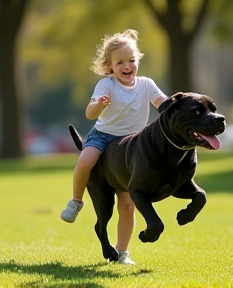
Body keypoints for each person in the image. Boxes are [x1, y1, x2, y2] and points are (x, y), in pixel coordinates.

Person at [61, 29, 168, 265]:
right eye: (120, 62)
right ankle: (76, 201)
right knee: (85, 161)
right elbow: (90, 114)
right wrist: (99, 104)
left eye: (131, 60)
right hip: (104, 136)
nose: (126, 66)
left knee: (128, 205)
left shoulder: (146, 84)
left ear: (138, 59)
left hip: (131, 146)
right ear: (110, 66)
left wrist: (178, 107)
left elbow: (164, 105)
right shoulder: (106, 85)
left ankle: (123, 252)